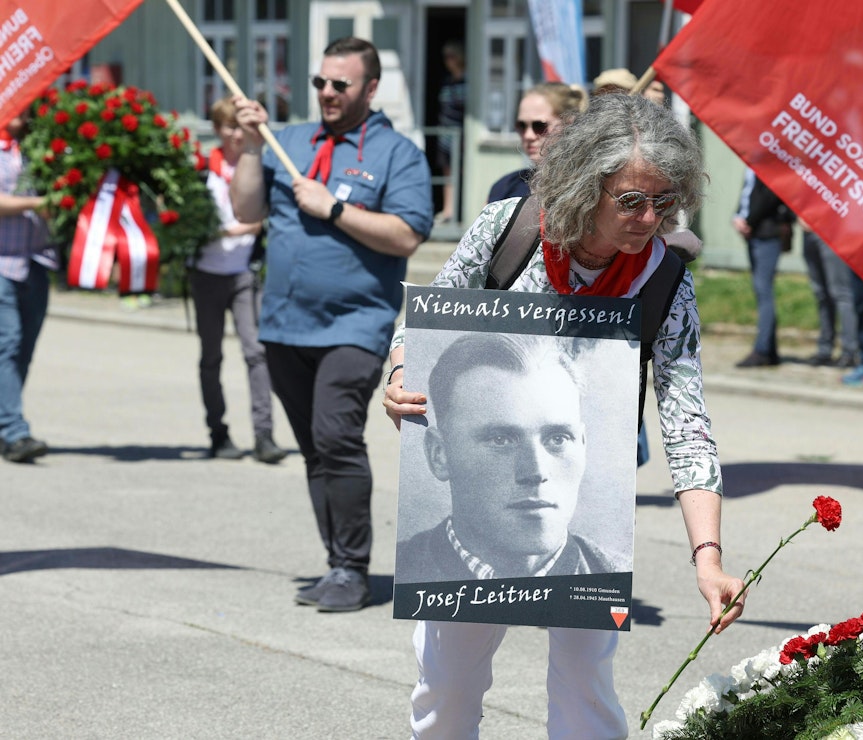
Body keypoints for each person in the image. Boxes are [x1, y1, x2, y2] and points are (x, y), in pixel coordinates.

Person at [384, 93, 746, 739]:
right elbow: (428, 319)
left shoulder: (665, 279)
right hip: (469, 519)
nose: (648, 218)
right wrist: (401, 375)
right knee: (448, 684)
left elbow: (686, 420)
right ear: (587, 186)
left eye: (664, 202)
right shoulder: (508, 228)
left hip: (584, 521)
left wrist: (708, 558)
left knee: (586, 687)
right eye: (630, 201)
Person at [230, 36, 434, 612]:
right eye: (320, 82)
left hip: (354, 323)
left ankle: (352, 567)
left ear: (370, 89)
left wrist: (335, 209)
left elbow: (407, 235)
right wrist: (250, 146)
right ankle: (334, 563)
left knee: (336, 437)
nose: (326, 93)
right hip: (284, 325)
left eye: (339, 84)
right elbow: (247, 210)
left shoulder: (397, 154)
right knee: (315, 450)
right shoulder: (287, 140)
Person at [394, 333, 627, 584]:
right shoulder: (408, 574)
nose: (535, 472)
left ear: (582, 445)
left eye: (557, 439)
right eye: (500, 440)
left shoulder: (616, 577)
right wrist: (398, 372)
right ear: (439, 454)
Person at [190, 97, 285, 463]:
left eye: (240, 127)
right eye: (228, 127)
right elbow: (190, 223)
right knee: (211, 356)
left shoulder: (257, 165)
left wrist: (236, 230)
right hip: (207, 274)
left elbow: (266, 215)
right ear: (216, 130)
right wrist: (229, 230)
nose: (235, 134)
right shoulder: (202, 170)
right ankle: (218, 432)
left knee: (256, 353)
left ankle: (264, 436)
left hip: (245, 271)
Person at [0, 110, 58, 464]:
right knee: (8, 342)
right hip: (2, 262)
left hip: (37, 261)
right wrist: (38, 203)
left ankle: (5, 423)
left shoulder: (41, 148)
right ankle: (15, 431)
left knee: (24, 350)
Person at [732, 167, 795, 368]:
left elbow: (768, 197)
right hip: (755, 234)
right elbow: (747, 194)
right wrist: (737, 216)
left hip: (767, 234)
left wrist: (748, 221)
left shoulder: (768, 163)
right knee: (761, 291)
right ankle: (771, 351)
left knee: (764, 290)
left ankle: (762, 350)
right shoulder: (751, 165)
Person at [486, 82, 587, 203]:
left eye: (539, 126)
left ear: (569, 123)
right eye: (521, 126)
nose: (528, 135)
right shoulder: (504, 187)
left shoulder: (586, 188)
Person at [800, 223, 858, 367]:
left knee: (841, 293)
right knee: (821, 294)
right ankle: (825, 350)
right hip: (808, 233)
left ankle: (849, 351)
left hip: (832, 230)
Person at [434, 40, 465, 224]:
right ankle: (448, 211)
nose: (448, 61)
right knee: (448, 172)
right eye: (445, 57)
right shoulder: (447, 80)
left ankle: (462, 211)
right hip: (445, 134)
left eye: (451, 56)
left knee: (461, 171)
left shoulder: (468, 80)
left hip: (460, 135)